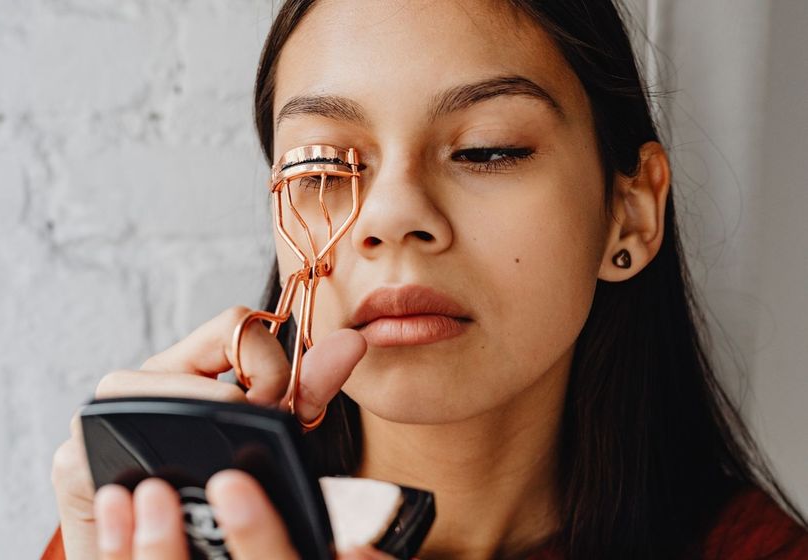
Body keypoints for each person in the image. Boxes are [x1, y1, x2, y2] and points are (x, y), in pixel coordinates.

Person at [45, 1, 808, 558]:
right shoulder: (144, 538)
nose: (393, 216)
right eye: (323, 163)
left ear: (631, 215)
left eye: (487, 150)